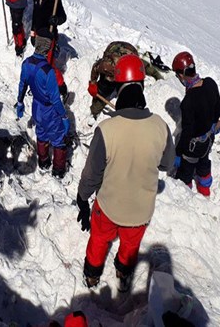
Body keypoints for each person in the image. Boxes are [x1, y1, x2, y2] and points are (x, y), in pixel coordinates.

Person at [77, 54, 175, 291]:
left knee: (99, 239)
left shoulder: (107, 129)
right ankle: (123, 272)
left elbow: (92, 175)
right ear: (141, 87)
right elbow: (166, 164)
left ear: (119, 89)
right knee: (130, 244)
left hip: (109, 206)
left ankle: (92, 275)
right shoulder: (160, 126)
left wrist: (82, 199)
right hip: (141, 211)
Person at [16, 28, 70, 179]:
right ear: (47, 48)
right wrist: (64, 117)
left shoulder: (26, 63)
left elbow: (22, 84)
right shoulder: (48, 71)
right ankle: (59, 170)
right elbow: (55, 99)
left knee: (42, 133)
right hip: (49, 110)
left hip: (36, 107)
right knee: (59, 139)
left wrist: (20, 102)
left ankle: (44, 162)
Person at [171, 51, 220, 197]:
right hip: (209, 139)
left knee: (186, 170)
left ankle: (186, 195)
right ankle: (205, 191)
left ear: (181, 75)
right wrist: (214, 123)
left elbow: (188, 131)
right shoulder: (210, 83)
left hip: (193, 146)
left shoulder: (188, 102)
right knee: (203, 163)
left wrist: (179, 153)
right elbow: (218, 106)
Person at [87, 41, 162, 119]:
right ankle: (94, 112)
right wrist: (93, 83)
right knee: (105, 88)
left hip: (130, 49)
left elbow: (147, 67)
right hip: (112, 49)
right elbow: (96, 66)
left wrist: (158, 78)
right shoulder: (108, 67)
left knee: (132, 89)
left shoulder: (135, 64)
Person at [30, 0, 68, 98]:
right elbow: (34, 16)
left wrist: (56, 20)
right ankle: (40, 85)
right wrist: (32, 33)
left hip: (50, 37)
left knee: (48, 65)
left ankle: (61, 87)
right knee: (38, 62)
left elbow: (63, 17)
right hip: (39, 35)